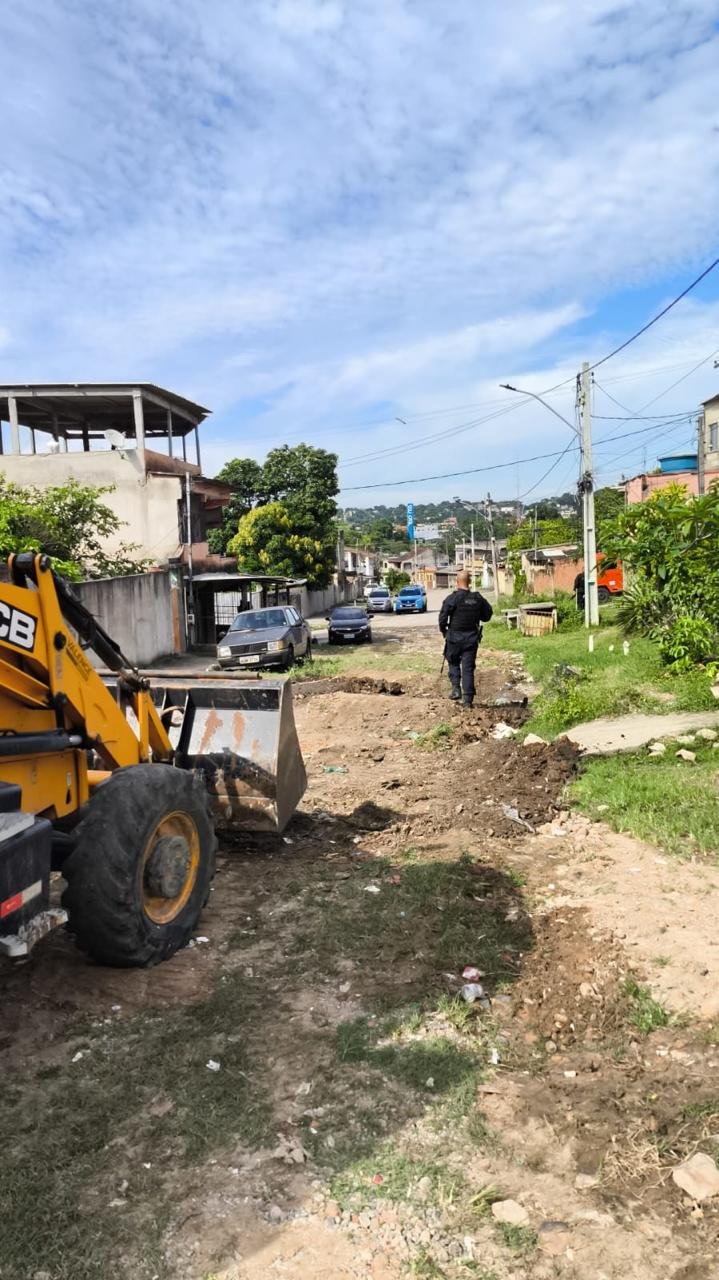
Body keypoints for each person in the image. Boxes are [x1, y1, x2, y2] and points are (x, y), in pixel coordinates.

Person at [439, 570, 493, 708]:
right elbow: (487, 616)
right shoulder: (478, 598)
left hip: (454, 639)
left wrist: (444, 631)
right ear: (469, 582)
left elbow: (443, 618)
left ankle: (456, 690)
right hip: (471, 639)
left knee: (453, 662)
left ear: (457, 582)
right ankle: (467, 701)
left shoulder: (452, 598)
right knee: (468, 668)